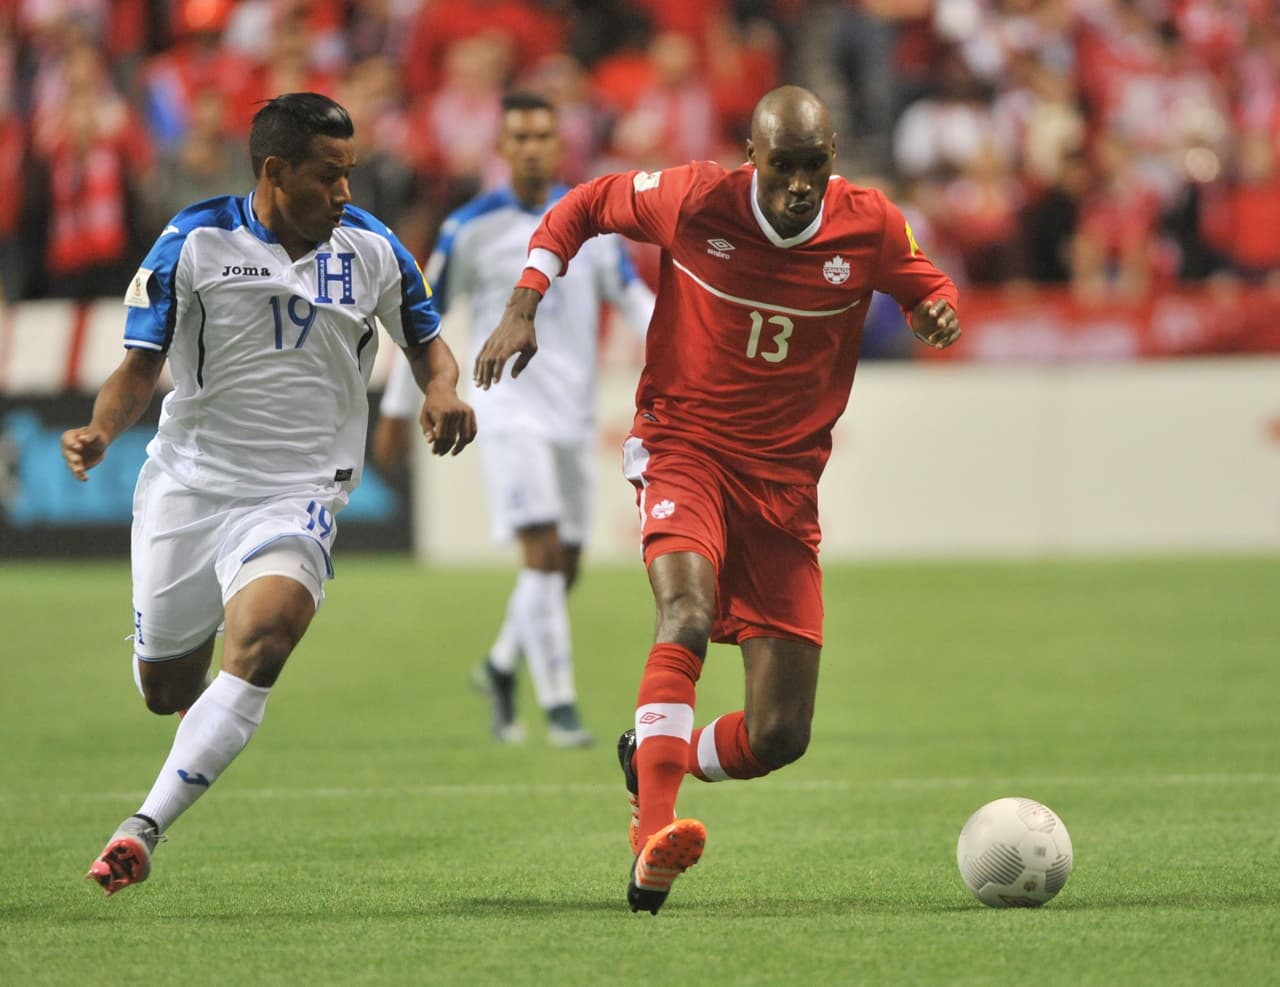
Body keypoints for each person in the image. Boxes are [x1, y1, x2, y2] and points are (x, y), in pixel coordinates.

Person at [474, 85, 961, 915]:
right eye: (783, 167)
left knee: (779, 734)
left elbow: (925, 283)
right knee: (686, 611)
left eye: (814, 167)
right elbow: (583, 205)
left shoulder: (872, 223)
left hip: (784, 486)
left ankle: (657, 755)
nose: (799, 185)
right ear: (752, 156)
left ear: (832, 157)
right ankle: (651, 838)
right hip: (684, 446)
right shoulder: (696, 199)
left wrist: (934, 311)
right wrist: (527, 301)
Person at [62, 92, 477, 897]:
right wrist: (101, 431)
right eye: (330, 176)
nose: (346, 193)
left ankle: (141, 826)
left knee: (265, 637)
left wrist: (443, 391)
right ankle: (192, 688)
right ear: (275, 172)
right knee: (166, 690)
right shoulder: (192, 241)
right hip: (191, 486)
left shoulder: (372, 247)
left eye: (351, 174)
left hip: (299, 489)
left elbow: (427, 343)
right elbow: (140, 365)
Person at [373, 92, 654, 748]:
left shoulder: (587, 222)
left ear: (561, 146)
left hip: (573, 413)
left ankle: (501, 666)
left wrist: (686, 340)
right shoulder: (468, 225)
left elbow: (633, 297)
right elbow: (422, 319)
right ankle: (561, 707)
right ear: (502, 148)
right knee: (543, 554)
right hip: (506, 406)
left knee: (566, 564)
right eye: (519, 137)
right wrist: (394, 406)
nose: (531, 147)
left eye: (543, 136)